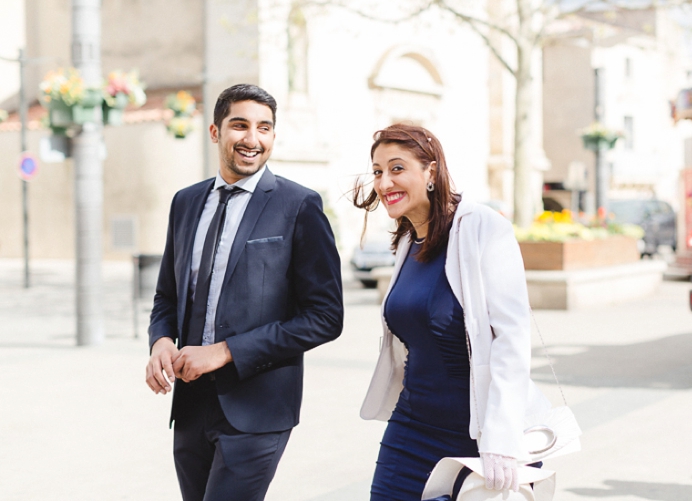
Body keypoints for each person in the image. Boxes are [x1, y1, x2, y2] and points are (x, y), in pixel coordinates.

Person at [145, 83, 343, 501]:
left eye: (264, 128)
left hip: (258, 408)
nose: (253, 139)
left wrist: (224, 351)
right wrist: (161, 340)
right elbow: (168, 295)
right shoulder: (185, 202)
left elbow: (325, 318)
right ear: (216, 132)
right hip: (190, 405)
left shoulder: (299, 205)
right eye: (240, 126)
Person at [353, 124, 547, 501]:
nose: (383, 182)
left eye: (396, 168)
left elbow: (512, 336)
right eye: (377, 171)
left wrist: (502, 438)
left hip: (480, 434)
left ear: (430, 172)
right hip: (412, 427)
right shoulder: (408, 240)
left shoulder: (482, 227)